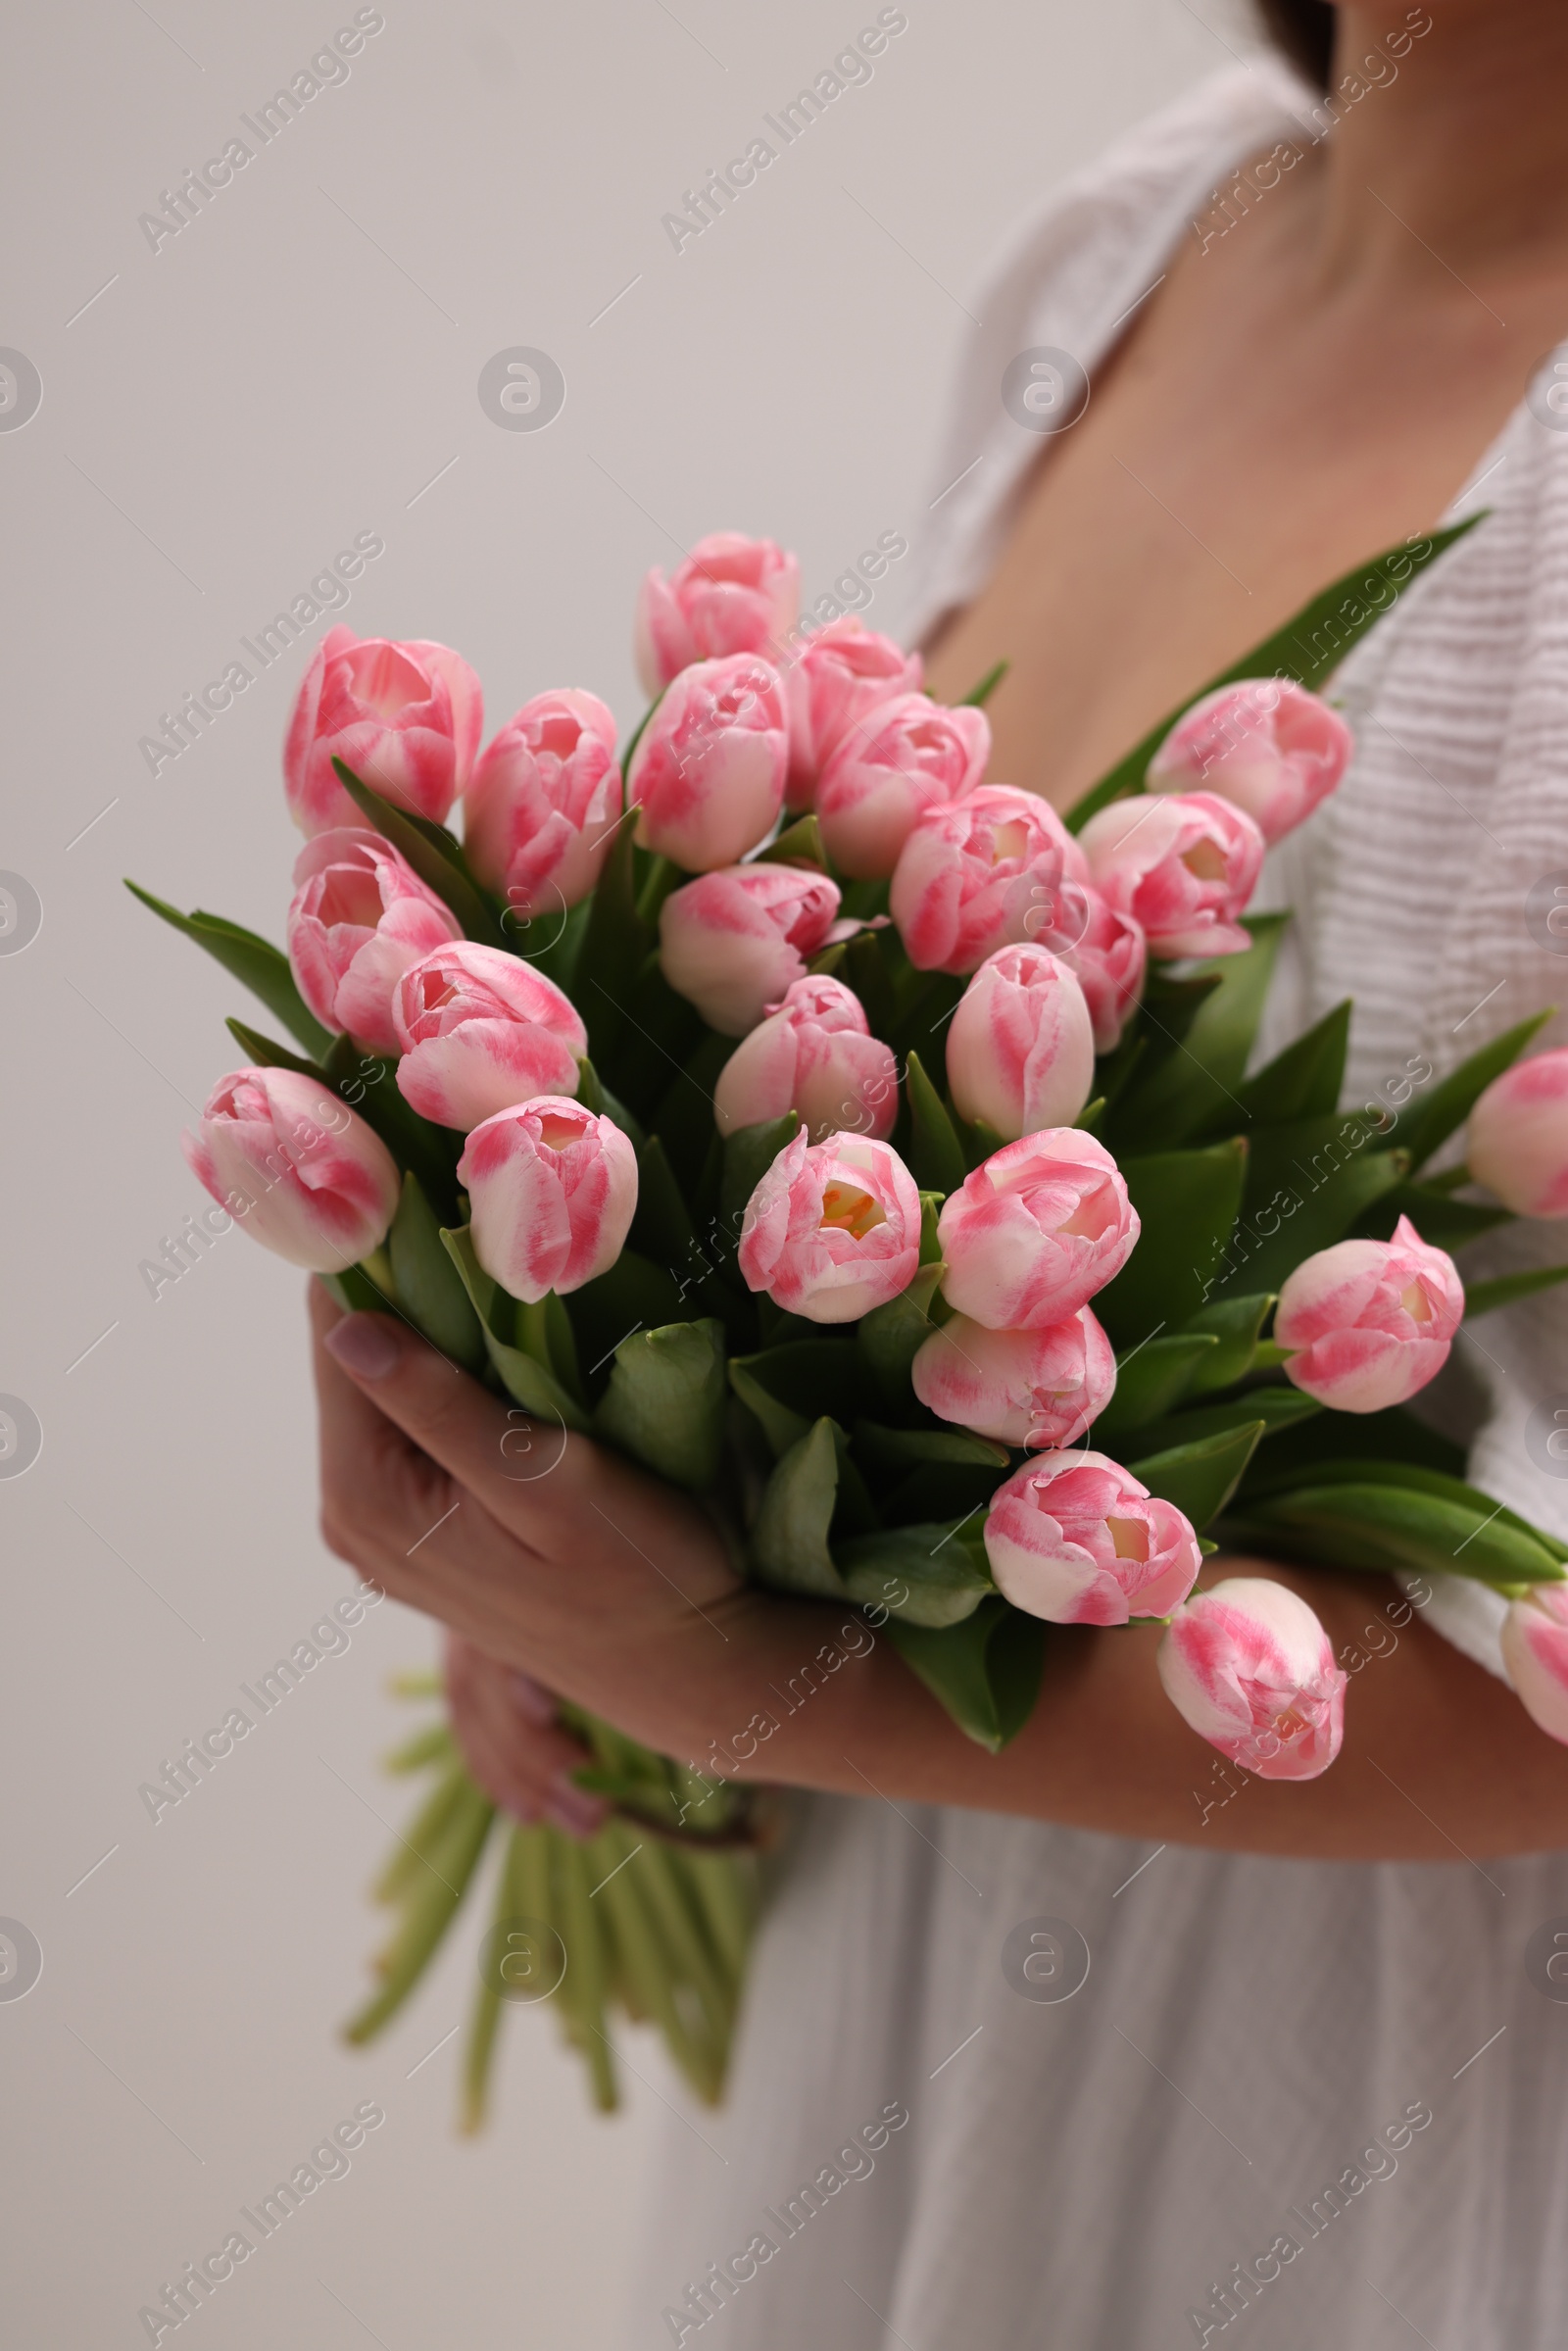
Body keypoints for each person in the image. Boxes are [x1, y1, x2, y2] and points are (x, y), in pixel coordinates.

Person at [311, 2, 1568, 2340]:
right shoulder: (1142, 230)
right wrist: (591, 1501)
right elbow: (873, 999)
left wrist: (737, 1668)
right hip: (860, 2065)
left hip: (1366, 2165)